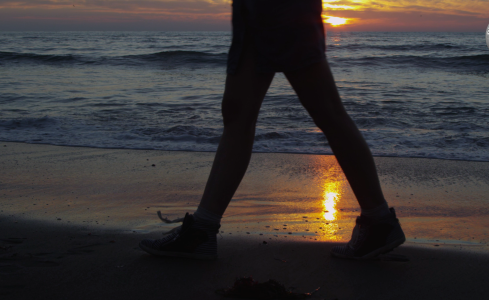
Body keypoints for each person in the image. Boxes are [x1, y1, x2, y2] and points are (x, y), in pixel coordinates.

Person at [139, 0, 405, 260]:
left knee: (325, 111)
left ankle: (379, 221)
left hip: (282, 8)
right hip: (257, 9)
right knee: (238, 113)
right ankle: (202, 229)